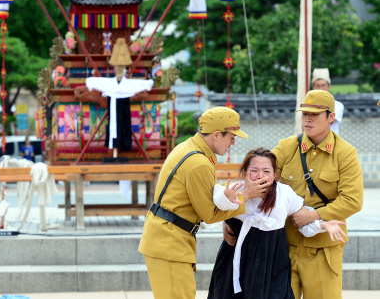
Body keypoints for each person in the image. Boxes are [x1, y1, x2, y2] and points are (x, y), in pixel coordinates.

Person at [223, 90, 363, 299]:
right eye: (304, 113)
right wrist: (230, 220)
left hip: (323, 248)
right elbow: (257, 182)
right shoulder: (287, 147)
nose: (308, 118)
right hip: (282, 247)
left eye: (315, 114)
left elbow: (352, 201)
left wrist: (314, 215)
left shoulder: (345, 153)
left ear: (331, 117)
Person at [138, 106, 273, 299]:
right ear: (217, 135)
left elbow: (204, 193)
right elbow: (210, 215)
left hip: (165, 237)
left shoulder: (188, 148)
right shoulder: (199, 163)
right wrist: (246, 195)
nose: (233, 142)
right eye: (231, 137)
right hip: (170, 243)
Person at [208, 147, 347, 299]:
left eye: (266, 171)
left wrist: (324, 225)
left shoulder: (284, 194)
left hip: (272, 262)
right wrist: (241, 196)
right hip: (237, 260)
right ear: (245, 172)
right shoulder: (236, 190)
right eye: (254, 170)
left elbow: (301, 219)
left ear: (275, 174)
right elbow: (217, 203)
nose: (260, 175)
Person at [311, 68, 344, 135]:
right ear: (313, 87)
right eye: (317, 86)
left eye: (323, 85)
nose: (321, 89)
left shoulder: (337, 105)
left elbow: (326, 123)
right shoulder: (307, 105)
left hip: (331, 143)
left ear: (329, 87)